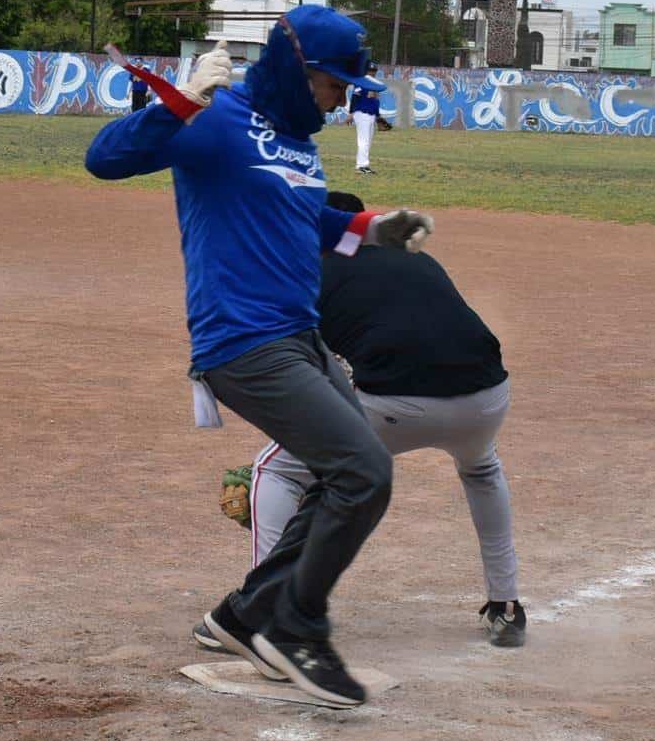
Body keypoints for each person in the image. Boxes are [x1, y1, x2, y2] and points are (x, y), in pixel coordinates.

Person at [86, 5, 433, 707]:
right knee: (363, 472)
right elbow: (104, 159)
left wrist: (369, 229)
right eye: (334, 87)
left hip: (300, 339)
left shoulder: (297, 142)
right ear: (297, 71)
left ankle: (245, 617)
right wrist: (185, 106)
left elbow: (308, 224)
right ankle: (296, 629)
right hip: (244, 345)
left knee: (348, 468)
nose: (340, 103)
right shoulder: (215, 123)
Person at [196, 190, 525, 649]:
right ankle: (506, 605)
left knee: (274, 470)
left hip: (397, 405)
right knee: (482, 470)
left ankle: (265, 612)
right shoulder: (416, 260)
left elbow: (300, 380)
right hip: (488, 399)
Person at [347, 61, 384, 174]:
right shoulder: (361, 83)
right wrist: (350, 113)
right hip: (361, 114)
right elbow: (355, 98)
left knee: (368, 141)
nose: (372, 73)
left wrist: (378, 117)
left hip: (371, 115)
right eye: (370, 71)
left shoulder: (375, 84)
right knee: (363, 140)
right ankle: (361, 166)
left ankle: (364, 165)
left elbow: (375, 102)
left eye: (374, 71)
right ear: (365, 71)